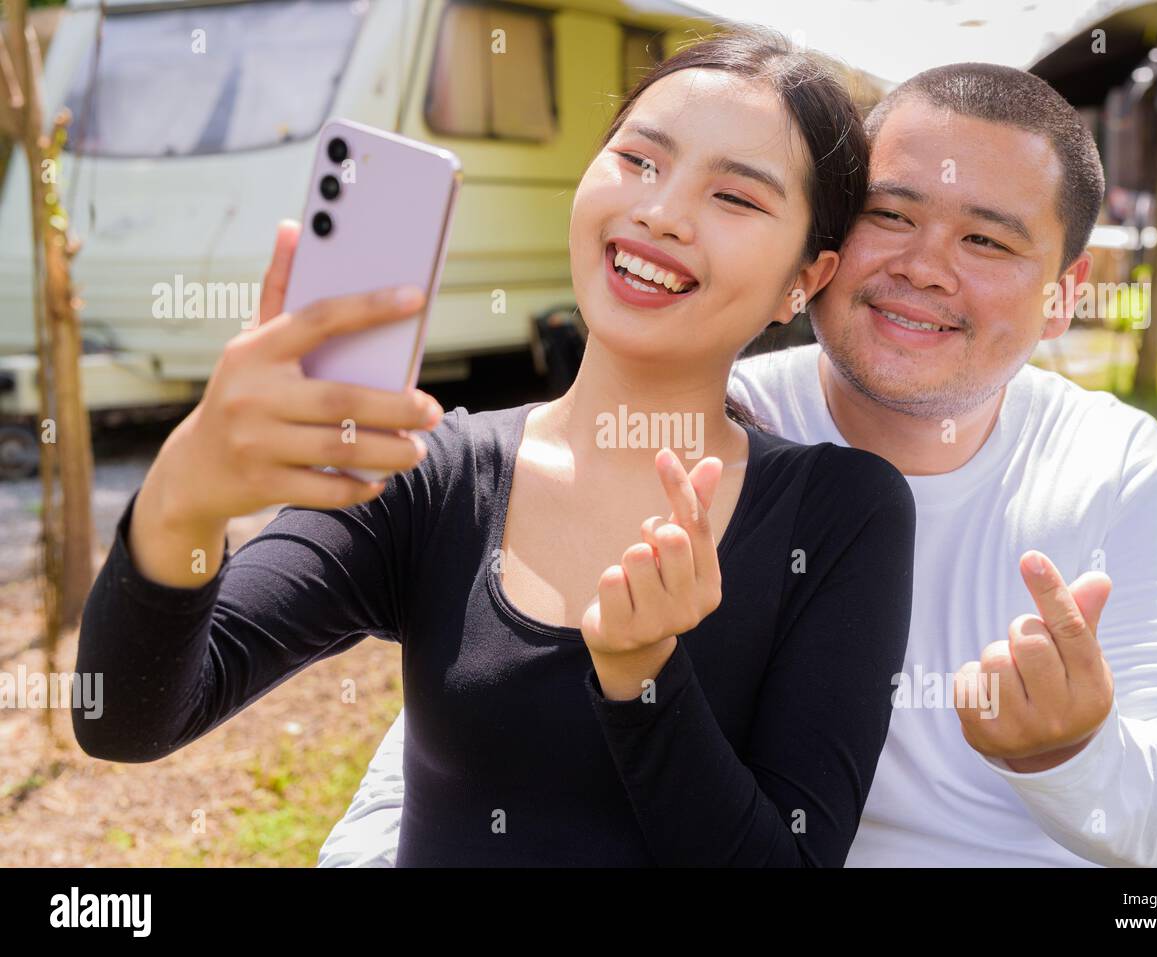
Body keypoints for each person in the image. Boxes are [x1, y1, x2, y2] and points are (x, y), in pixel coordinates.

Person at [319, 62, 1157, 869]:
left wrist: (1071, 752)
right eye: (892, 215)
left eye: (987, 240)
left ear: (1064, 295)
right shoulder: (722, 417)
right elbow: (495, 690)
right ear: (821, 253)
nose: (924, 267)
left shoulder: (1111, 465)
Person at [73, 29, 917, 867]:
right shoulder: (430, 474)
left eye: (736, 198)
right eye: (638, 160)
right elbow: (128, 719)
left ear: (804, 280)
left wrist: (643, 675)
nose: (660, 213)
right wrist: (185, 497)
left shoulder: (842, 511)